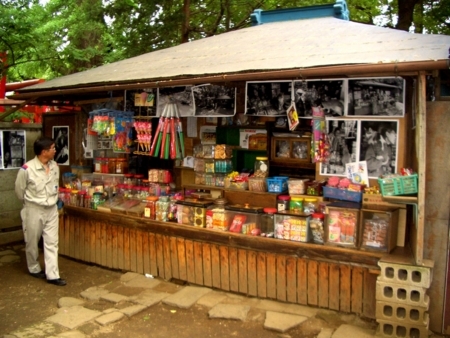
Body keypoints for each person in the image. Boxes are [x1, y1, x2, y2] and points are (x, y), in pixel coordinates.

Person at [14, 137, 66, 286]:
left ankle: (53, 274)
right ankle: (34, 268)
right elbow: (19, 191)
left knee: (52, 242)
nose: (55, 150)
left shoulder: (55, 166)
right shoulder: (27, 169)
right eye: (53, 148)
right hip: (33, 209)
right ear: (44, 152)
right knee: (32, 240)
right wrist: (29, 204)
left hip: (51, 208)